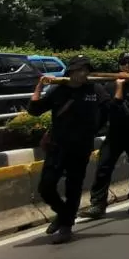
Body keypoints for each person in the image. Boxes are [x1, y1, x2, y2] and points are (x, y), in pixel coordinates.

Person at [29, 56, 106, 244]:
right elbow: (34, 110)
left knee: (73, 187)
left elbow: (108, 109)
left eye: (85, 70)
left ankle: (66, 227)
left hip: (81, 147)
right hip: (58, 146)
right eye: (79, 70)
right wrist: (39, 87)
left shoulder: (95, 90)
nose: (83, 73)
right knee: (46, 187)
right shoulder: (58, 90)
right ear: (70, 72)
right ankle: (64, 214)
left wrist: (95, 129)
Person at [85, 51, 129, 219]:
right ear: (119, 64)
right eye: (124, 62)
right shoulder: (110, 85)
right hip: (116, 131)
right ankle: (98, 204)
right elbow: (105, 109)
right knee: (104, 165)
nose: (127, 66)